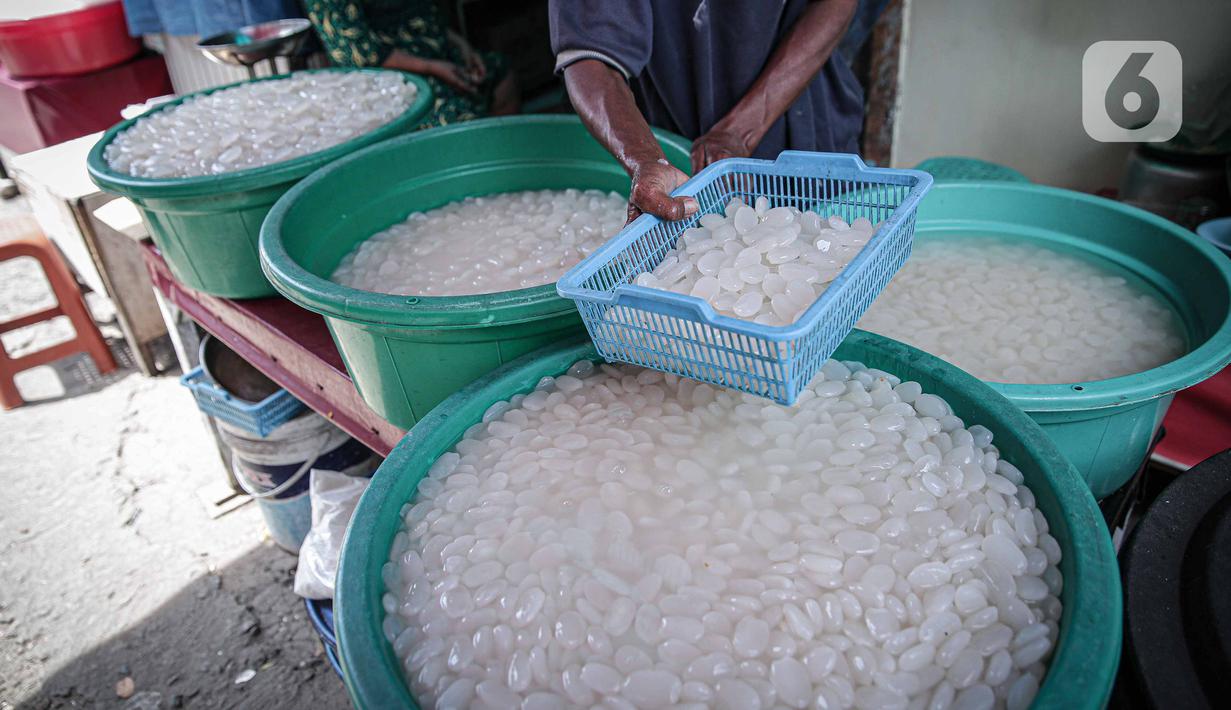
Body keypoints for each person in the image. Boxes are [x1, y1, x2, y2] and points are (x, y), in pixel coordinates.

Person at [550, 0, 864, 223]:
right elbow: (590, 56)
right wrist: (645, 159)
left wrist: (740, 129)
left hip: (805, 119)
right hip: (675, 146)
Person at [304, 0, 519, 129]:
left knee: (501, 75)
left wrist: (462, 46)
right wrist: (432, 67)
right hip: (395, 82)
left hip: (438, 56)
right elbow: (358, 55)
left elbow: (426, 15)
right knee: (460, 123)